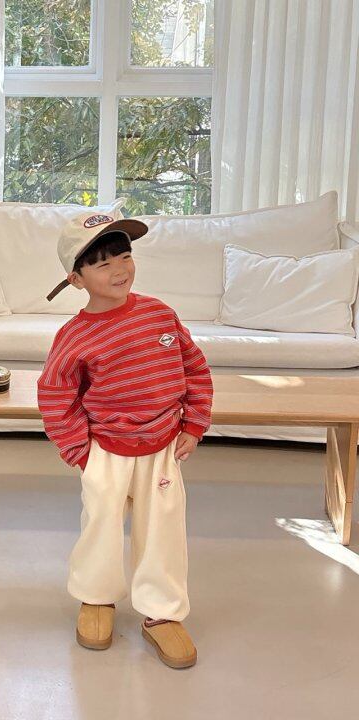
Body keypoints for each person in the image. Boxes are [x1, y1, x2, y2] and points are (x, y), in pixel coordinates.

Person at [37, 205, 214, 668]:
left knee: (163, 530)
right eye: (102, 263)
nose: (119, 270)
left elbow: (195, 369)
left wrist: (194, 424)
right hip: (105, 452)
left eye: (125, 256)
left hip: (163, 447)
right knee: (101, 525)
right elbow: (56, 394)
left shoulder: (160, 315)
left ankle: (162, 613)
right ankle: (96, 597)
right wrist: (80, 452)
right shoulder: (74, 336)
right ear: (76, 279)